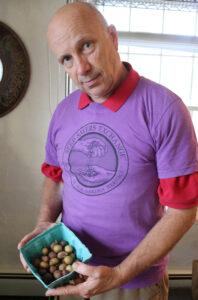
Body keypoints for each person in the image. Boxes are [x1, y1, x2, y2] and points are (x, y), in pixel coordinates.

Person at [18, 2, 198, 300]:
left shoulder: (165, 108)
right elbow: (56, 177)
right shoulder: (63, 112)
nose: (81, 68)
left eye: (86, 46)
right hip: (70, 271)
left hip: (134, 283)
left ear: (112, 38)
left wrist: (119, 274)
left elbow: (184, 210)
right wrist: (44, 223)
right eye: (66, 59)